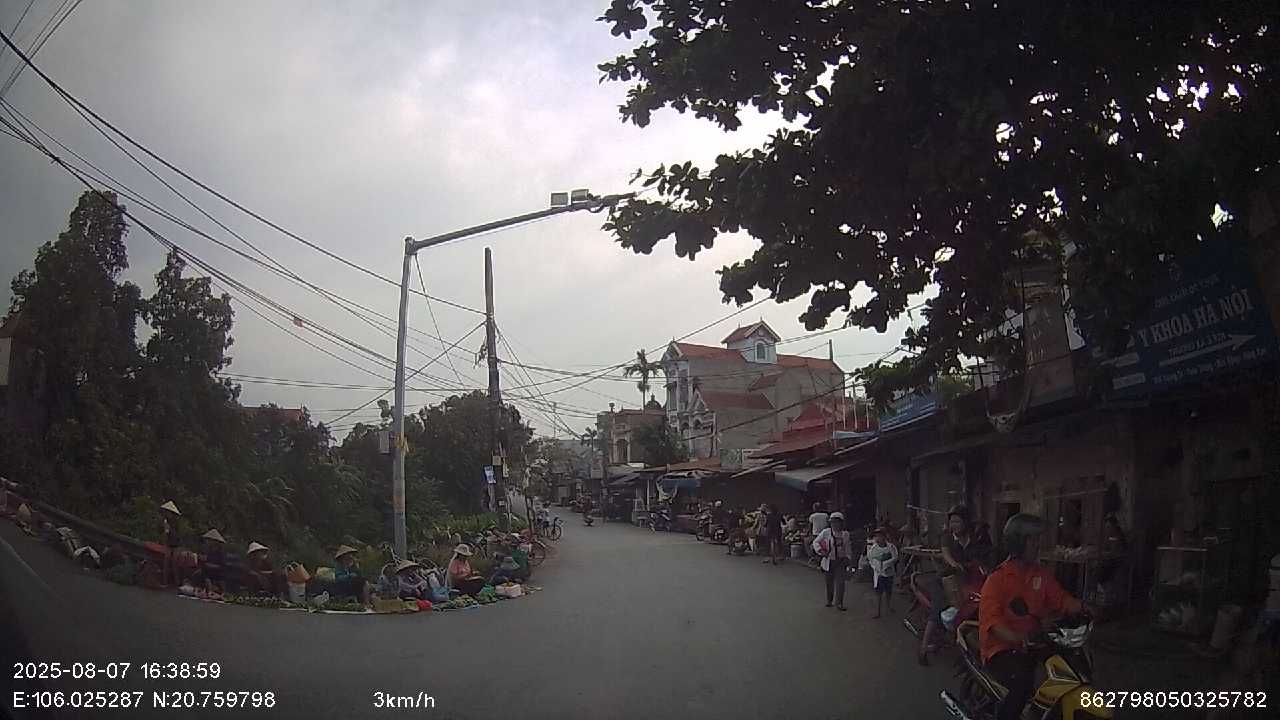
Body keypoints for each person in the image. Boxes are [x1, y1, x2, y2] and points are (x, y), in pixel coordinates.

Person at [980, 513, 1084, 720]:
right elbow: (993, 623)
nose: (1037, 545)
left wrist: (1082, 607)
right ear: (1018, 543)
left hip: (1035, 641)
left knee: (1070, 668)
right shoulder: (997, 580)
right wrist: (1018, 638)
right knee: (1022, 682)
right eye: (1033, 540)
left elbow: (1060, 599)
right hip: (1001, 649)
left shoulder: (1040, 574)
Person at [920, 504, 984, 665]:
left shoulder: (973, 539)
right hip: (944, 580)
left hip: (966, 581)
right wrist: (955, 564)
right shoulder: (947, 537)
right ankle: (922, 650)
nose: (953, 525)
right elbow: (946, 553)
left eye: (957, 521)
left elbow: (981, 558)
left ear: (966, 522)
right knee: (937, 609)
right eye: (952, 521)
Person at [812, 511, 854, 610]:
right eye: (833, 522)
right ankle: (829, 600)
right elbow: (816, 542)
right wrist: (821, 551)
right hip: (829, 561)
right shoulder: (826, 532)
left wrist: (849, 559)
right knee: (829, 582)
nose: (834, 524)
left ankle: (839, 603)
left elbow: (848, 548)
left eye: (837, 522)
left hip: (841, 561)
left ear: (841, 523)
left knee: (840, 582)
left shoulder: (845, 534)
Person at [866, 527, 899, 618]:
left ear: (885, 536)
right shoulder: (873, 549)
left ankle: (888, 606)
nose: (878, 538)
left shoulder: (891, 547)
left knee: (888, 591)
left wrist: (885, 564)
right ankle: (877, 611)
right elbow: (870, 559)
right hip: (878, 574)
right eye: (877, 536)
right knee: (878, 593)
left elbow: (895, 557)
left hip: (889, 573)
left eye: (880, 536)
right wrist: (877, 566)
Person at [195, 529, 228, 594]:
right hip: (208, 569)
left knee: (206, 573)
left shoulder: (221, 552)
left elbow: (222, 566)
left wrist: (211, 565)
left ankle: (211, 590)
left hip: (218, 571)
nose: (209, 541)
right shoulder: (209, 550)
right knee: (199, 572)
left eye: (210, 540)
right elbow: (205, 560)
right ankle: (201, 589)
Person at [160, 500, 182, 587]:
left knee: (174, 562)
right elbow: (165, 534)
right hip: (169, 544)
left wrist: (169, 529)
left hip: (177, 544)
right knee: (166, 561)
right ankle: (165, 582)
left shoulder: (177, 522)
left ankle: (177, 583)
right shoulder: (166, 521)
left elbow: (178, 535)